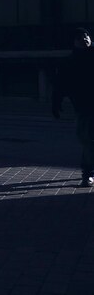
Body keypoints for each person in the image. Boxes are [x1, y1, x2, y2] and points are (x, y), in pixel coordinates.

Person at [52, 27, 94, 187]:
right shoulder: (69, 62)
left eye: (86, 36)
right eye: (80, 37)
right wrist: (56, 102)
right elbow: (60, 85)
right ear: (74, 42)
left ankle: (88, 172)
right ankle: (88, 172)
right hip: (84, 106)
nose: (84, 39)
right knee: (88, 140)